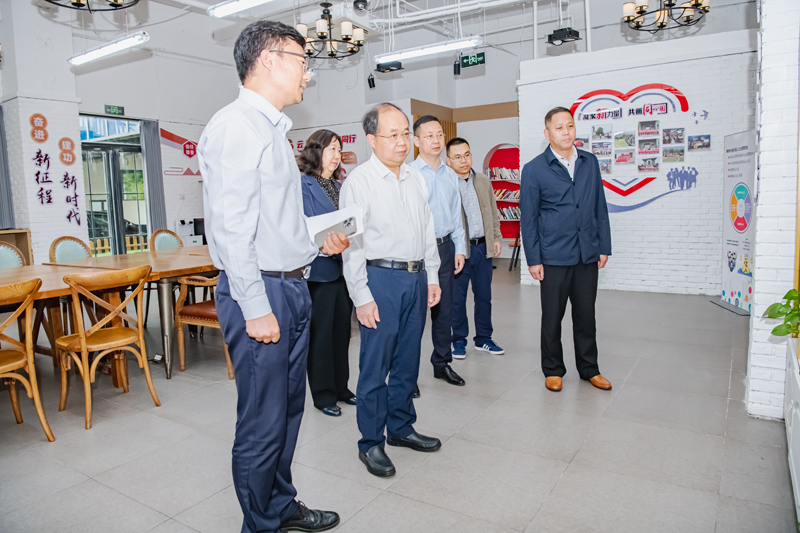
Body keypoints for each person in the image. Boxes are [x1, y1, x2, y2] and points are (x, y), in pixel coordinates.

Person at [199, 21, 349, 533]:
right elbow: (231, 229)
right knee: (262, 423)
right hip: (261, 291)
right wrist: (255, 305)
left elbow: (278, 223)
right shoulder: (236, 127)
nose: (308, 73)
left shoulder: (272, 132)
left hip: (291, 284)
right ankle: (259, 524)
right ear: (268, 59)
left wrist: (318, 239)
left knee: (287, 413)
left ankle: (279, 505)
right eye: (302, 61)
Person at [341, 102, 443, 478]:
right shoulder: (359, 182)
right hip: (380, 279)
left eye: (405, 134)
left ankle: (400, 427)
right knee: (375, 364)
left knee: (407, 360)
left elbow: (427, 229)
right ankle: (370, 443)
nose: (402, 142)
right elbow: (351, 246)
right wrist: (361, 296)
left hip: (415, 277)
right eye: (393, 135)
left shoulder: (415, 177)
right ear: (372, 139)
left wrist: (432, 276)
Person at [519, 106, 613, 393]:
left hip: (586, 253)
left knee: (586, 316)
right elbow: (529, 219)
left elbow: (599, 205)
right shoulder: (534, 169)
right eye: (559, 127)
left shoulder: (589, 162)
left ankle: (589, 368)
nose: (566, 132)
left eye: (570, 126)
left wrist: (603, 246)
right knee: (552, 318)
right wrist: (533, 259)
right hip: (553, 256)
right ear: (547, 133)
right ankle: (553, 369)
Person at [299, 129, 356, 417]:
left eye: (339, 149)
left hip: (343, 269)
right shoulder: (303, 185)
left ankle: (341, 387)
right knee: (321, 336)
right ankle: (323, 395)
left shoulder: (339, 185)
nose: (336, 155)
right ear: (316, 151)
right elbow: (303, 227)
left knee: (341, 333)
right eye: (331, 149)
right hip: (318, 271)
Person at [409, 116, 466, 388]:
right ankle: (407, 376)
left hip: (445, 247)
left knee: (444, 311)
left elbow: (456, 215)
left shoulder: (450, 174)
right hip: (418, 251)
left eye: (440, 135)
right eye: (429, 135)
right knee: (415, 314)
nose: (436, 140)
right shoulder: (408, 174)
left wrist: (460, 248)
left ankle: (442, 363)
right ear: (416, 140)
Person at [445, 137, 505, 359]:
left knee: (484, 296)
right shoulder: (446, 184)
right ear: (448, 160)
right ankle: (458, 340)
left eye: (467, 155)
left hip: (482, 249)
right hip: (459, 252)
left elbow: (493, 212)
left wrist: (496, 238)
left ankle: (484, 339)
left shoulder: (483, 180)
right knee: (457, 299)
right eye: (457, 157)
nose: (464, 160)